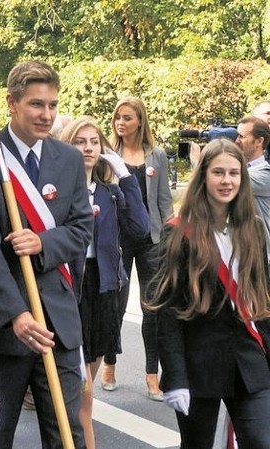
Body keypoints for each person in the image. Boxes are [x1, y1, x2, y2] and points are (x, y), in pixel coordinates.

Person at [0, 60, 93, 448]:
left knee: (67, 435)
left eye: (52, 105)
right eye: (36, 104)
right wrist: (16, 314)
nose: (46, 115)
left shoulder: (67, 158)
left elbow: (82, 229)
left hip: (58, 326)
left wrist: (43, 243)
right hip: (6, 329)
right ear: (11, 103)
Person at [150, 139, 270, 449]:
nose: (227, 180)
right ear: (203, 175)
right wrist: (175, 376)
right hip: (197, 363)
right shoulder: (178, 232)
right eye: (218, 172)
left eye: (234, 173)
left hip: (248, 359)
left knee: (260, 441)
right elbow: (168, 310)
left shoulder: (253, 228)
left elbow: (263, 298)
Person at [61, 116, 150, 448]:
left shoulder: (110, 193)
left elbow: (140, 230)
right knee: (78, 388)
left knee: (87, 389)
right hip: (69, 288)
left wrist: (125, 176)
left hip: (103, 288)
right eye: (80, 141)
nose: (87, 147)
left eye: (94, 141)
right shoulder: (57, 191)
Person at [101, 96, 173, 401]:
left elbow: (164, 201)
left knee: (152, 309)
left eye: (127, 117)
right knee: (115, 306)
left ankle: (151, 375)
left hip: (152, 240)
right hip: (119, 240)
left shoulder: (156, 156)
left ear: (140, 121)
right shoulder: (108, 156)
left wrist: (171, 237)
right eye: (117, 117)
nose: (121, 122)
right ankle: (109, 364)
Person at [235, 115, 270, 257]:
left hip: (261, 258)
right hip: (242, 255)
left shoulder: (265, 174)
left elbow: (232, 182)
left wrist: (198, 161)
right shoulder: (240, 170)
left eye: (241, 136)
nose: (236, 141)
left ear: (259, 141)